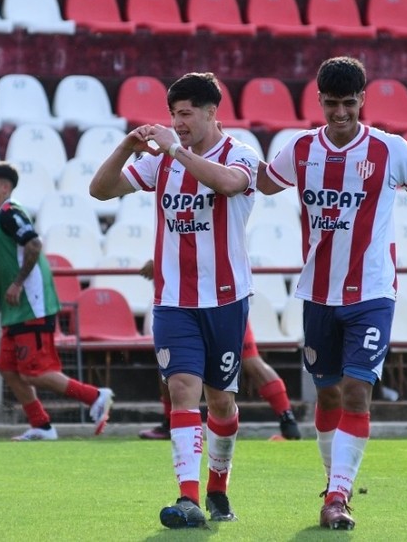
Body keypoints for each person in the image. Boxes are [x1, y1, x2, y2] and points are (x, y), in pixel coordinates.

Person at [257, 56, 407, 530]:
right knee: (326, 397)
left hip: (372, 292)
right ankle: (333, 482)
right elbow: (257, 183)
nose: (340, 113)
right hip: (319, 294)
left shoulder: (391, 150)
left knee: (356, 392)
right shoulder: (299, 149)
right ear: (319, 100)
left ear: (363, 99)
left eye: (349, 103)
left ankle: (340, 496)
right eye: (331, 103)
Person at [90, 72, 258, 529]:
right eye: (173, 115)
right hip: (173, 300)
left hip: (225, 299)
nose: (178, 123)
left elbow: (227, 185)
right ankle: (188, 499)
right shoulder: (160, 162)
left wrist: (175, 149)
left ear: (210, 112)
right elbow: (100, 190)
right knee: (183, 389)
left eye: (186, 114)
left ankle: (217, 486)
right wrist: (127, 146)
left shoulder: (240, 154)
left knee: (221, 403)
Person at [0, 162, 114, 440]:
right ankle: (42, 425)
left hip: (32, 306)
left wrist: (18, 283)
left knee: (35, 373)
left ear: (4, 187)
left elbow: (34, 245)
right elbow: (3, 269)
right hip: (18, 310)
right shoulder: (1, 219)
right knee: (8, 369)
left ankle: (95, 396)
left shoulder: (10, 213)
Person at [135, 259, 301, 441]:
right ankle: (288, 422)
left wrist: (161, 261)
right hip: (213, 301)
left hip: (213, 301)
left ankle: (288, 422)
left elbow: (199, 248)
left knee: (246, 363)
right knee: (248, 361)